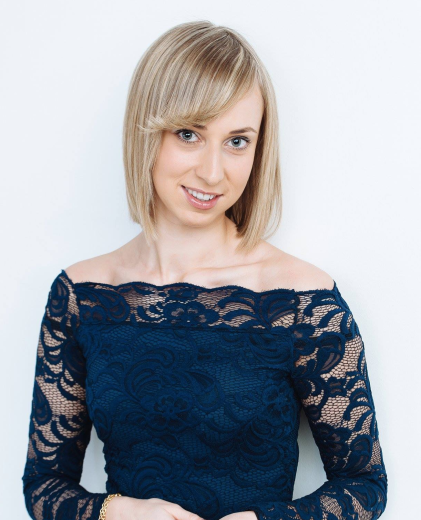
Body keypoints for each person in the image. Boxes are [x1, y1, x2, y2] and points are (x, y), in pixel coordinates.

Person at [21, 20, 388, 520]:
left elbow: (365, 486)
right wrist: (118, 512)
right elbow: (44, 487)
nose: (213, 172)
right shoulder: (81, 296)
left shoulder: (303, 301)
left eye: (237, 141)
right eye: (189, 134)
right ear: (146, 131)